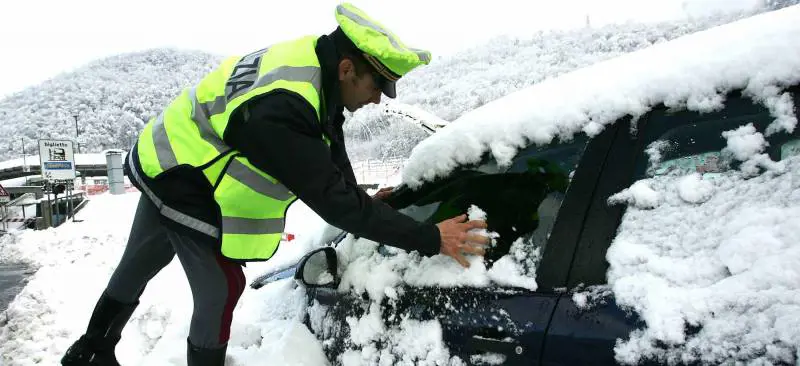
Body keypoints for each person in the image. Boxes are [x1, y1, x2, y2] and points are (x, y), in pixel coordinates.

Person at [61, 3, 489, 365]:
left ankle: (89, 353)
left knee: (137, 263)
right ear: (347, 68)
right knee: (221, 288)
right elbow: (334, 204)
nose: (379, 98)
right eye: (379, 85)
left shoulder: (313, 68)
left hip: (167, 158)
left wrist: (361, 196)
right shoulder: (285, 108)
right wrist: (430, 237)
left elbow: (329, 142)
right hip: (188, 181)